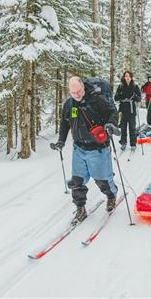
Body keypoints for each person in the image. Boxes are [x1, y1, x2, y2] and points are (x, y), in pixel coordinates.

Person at [51, 76, 121, 224]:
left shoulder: (97, 100)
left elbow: (112, 112)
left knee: (102, 180)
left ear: (83, 86)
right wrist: (61, 141)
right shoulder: (69, 105)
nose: (77, 95)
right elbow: (65, 124)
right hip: (79, 149)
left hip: (98, 149)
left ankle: (111, 195)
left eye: (79, 91)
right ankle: (80, 208)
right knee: (77, 181)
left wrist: (110, 124)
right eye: (73, 92)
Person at [114, 70, 142, 152]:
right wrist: (119, 97)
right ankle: (123, 142)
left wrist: (135, 97)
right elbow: (116, 98)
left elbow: (139, 98)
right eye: (126, 76)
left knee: (132, 127)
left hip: (131, 109)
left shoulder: (135, 86)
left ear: (131, 77)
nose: (127, 78)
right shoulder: (120, 86)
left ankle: (133, 144)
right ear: (124, 77)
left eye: (129, 76)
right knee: (123, 127)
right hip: (123, 109)